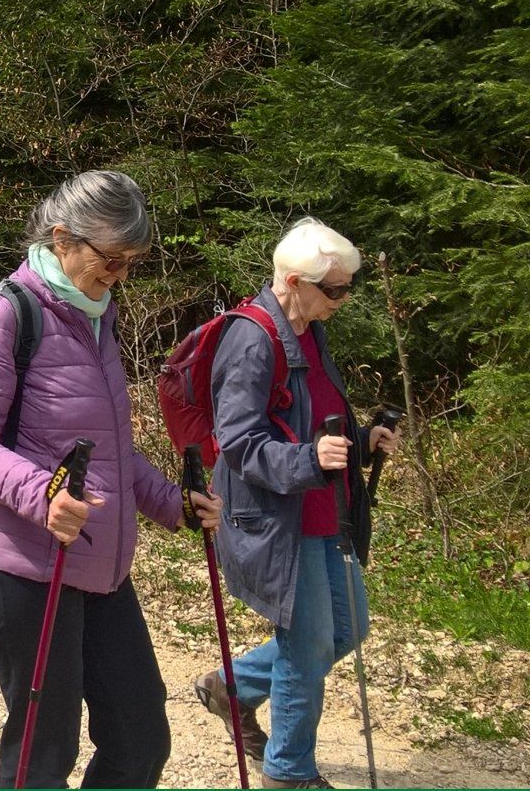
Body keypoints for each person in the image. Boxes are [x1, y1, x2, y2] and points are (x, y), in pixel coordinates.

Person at [0, 170, 221, 789]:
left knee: (140, 738)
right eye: (112, 257)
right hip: (26, 567)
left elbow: (112, 453)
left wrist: (173, 504)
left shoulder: (97, 316)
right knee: (45, 754)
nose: (120, 273)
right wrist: (41, 493)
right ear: (63, 237)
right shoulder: (6, 314)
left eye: (132, 261)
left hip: (100, 566)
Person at [193, 218, 402, 789]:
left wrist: (360, 442)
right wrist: (313, 461)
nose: (344, 298)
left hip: (320, 510)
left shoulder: (308, 328)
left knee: (348, 627)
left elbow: (309, 421)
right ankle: (288, 773)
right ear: (294, 280)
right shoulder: (253, 338)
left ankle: (228, 687)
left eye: (348, 287)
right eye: (334, 288)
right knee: (307, 649)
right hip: (275, 519)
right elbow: (237, 442)